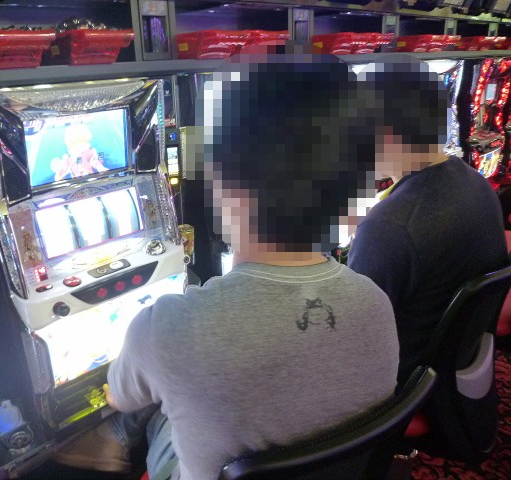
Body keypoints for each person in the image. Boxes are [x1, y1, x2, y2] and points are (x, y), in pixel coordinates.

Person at [55, 54, 400, 480]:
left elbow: (118, 396)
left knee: (154, 404)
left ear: (225, 187)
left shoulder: (168, 326)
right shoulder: (376, 303)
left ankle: (101, 446)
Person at [347, 56, 508, 383]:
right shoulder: (474, 182)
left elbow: (344, 332)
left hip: (398, 382)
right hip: (449, 363)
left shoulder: (389, 228)